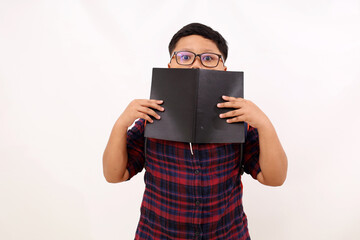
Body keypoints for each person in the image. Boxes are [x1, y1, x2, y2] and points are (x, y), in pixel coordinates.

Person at [103, 23, 288, 240]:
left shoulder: (239, 121)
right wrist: (121, 124)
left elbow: (275, 178)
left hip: (227, 234)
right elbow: (114, 175)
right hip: (157, 234)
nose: (196, 65)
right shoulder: (150, 120)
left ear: (223, 69)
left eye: (209, 58)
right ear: (170, 65)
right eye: (184, 57)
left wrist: (264, 124)